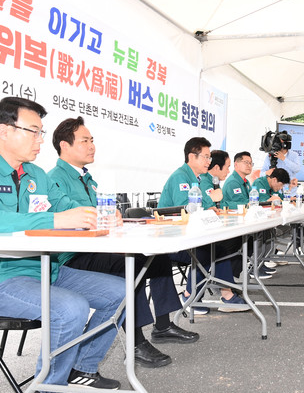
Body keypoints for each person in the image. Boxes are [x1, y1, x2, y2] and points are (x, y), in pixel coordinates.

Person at [0, 97, 125, 393]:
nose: (41, 140)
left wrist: (94, 216)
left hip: (47, 270)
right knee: (70, 308)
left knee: (122, 293)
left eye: (41, 132)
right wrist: (57, 220)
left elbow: (59, 209)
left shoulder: (35, 174)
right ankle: (45, 390)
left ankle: (82, 368)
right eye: (34, 131)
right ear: (4, 131)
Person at [48, 117, 198, 370]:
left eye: (92, 140)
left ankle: (163, 325)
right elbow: (70, 213)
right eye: (85, 141)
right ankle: (136, 343)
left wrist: (112, 215)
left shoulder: (86, 178)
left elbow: (100, 214)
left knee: (156, 257)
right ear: (65, 145)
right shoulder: (54, 179)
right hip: (73, 255)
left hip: (99, 245)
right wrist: (100, 215)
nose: (92, 146)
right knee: (129, 265)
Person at [159, 139, 248, 310]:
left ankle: (221, 294)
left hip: (188, 235)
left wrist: (210, 207)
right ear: (192, 156)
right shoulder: (180, 177)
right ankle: (193, 296)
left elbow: (202, 206)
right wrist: (209, 202)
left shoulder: (196, 178)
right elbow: (186, 209)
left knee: (217, 249)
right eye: (206, 157)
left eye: (209, 157)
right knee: (210, 252)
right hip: (173, 239)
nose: (209, 161)